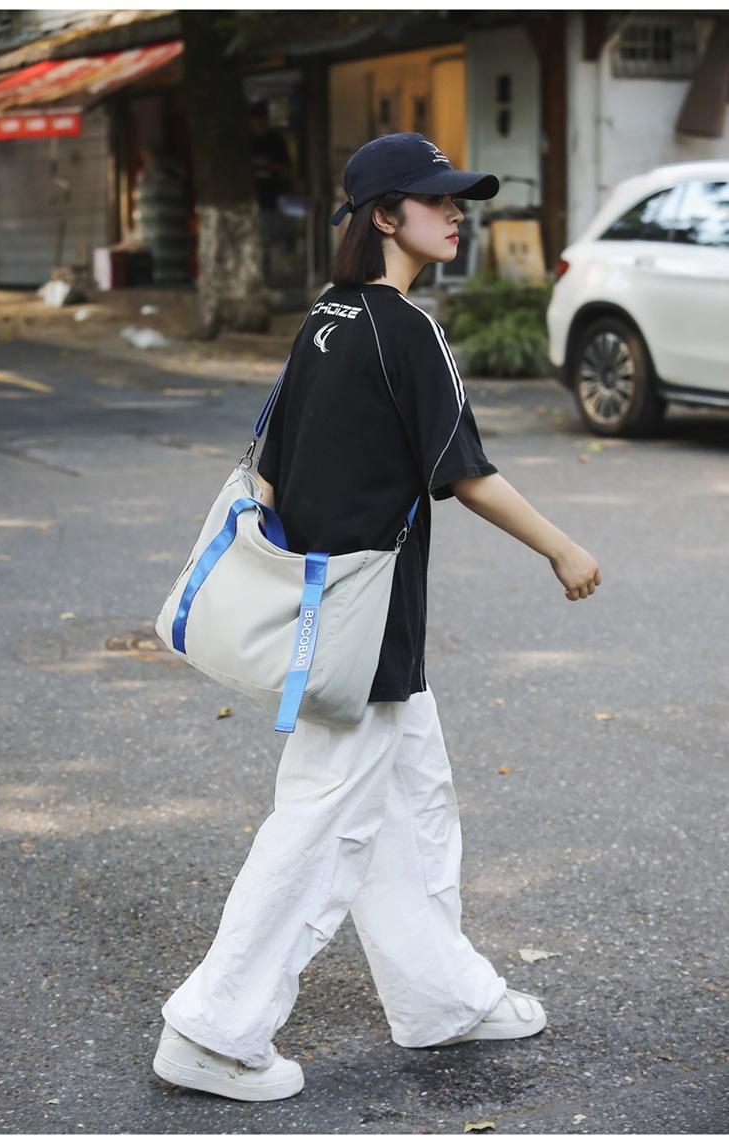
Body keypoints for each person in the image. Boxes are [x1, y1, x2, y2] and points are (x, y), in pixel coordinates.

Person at [152, 132, 602, 1103]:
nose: (457, 213)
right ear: (385, 217)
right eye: (437, 199)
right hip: (361, 624)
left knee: (411, 808)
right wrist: (563, 547)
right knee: (325, 826)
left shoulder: (325, 317)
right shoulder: (404, 328)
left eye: (458, 199)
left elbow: (273, 472)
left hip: (337, 613)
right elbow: (465, 473)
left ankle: (445, 999)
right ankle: (215, 1029)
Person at [248, 100, 292, 281]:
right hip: (249, 199)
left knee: (269, 238)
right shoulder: (246, 140)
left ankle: (268, 274)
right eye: (256, 119)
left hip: (271, 197)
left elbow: (285, 167)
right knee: (254, 239)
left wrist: (268, 164)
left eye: (262, 119)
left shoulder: (275, 140)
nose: (259, 123)